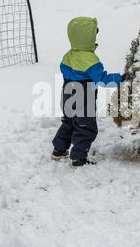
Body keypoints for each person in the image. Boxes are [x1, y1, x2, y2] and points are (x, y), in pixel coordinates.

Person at [52, 17, 128, 167]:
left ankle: (59, 150)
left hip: (67, 95)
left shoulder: (68, 55)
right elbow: (102, 79)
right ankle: (78, 158)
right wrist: (120, 78)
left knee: (68, 122)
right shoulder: (90, 60)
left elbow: (64, 69)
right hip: (83, 98)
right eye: (94, 34)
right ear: (87, 38)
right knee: (86, 128)